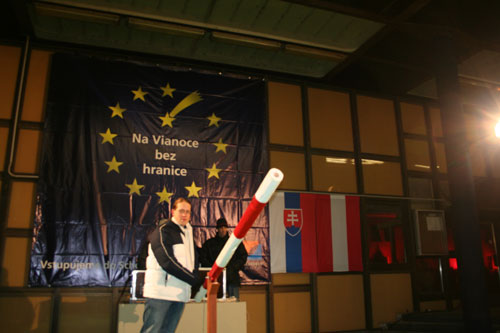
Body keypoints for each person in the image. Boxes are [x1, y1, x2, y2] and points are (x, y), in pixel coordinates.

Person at [141, 197, 202, 333]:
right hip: (160, 294)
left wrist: (194, 279)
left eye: (188, 212)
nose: (185, 215)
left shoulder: (187, 233)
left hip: (179, 294)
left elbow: (194, 262)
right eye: (181, 211)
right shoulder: (163, 231)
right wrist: (193, 280)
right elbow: (167, 262)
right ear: (172, 211)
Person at [200, 217, 248, 299]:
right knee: (217, 306)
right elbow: (202, 258)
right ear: (217, 229)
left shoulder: (235, 242)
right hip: (215, 280)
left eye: (224, 227)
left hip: (232, 278)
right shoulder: (209, 244)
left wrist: (233, 268)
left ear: (227, 228)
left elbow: (243, 256)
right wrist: (213, 269)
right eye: (220, 228)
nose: (223, 230)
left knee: (234, 306)